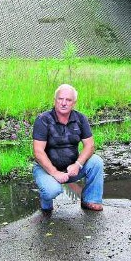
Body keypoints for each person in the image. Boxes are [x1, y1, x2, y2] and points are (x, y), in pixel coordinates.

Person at [32, 84, 104, 214]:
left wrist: (77, 164)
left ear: (74, 103)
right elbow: (38, 152)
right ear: (55, 100)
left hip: (72, 170)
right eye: (60, 99)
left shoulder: (80, 119)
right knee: (52, 191)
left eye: (68, 100)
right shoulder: (43, 120)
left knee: (96, 162)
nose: (64, 103)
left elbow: (90, 145)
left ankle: (90, 200)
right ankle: (45, 201)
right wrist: (55, 173)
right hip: (47, 170)